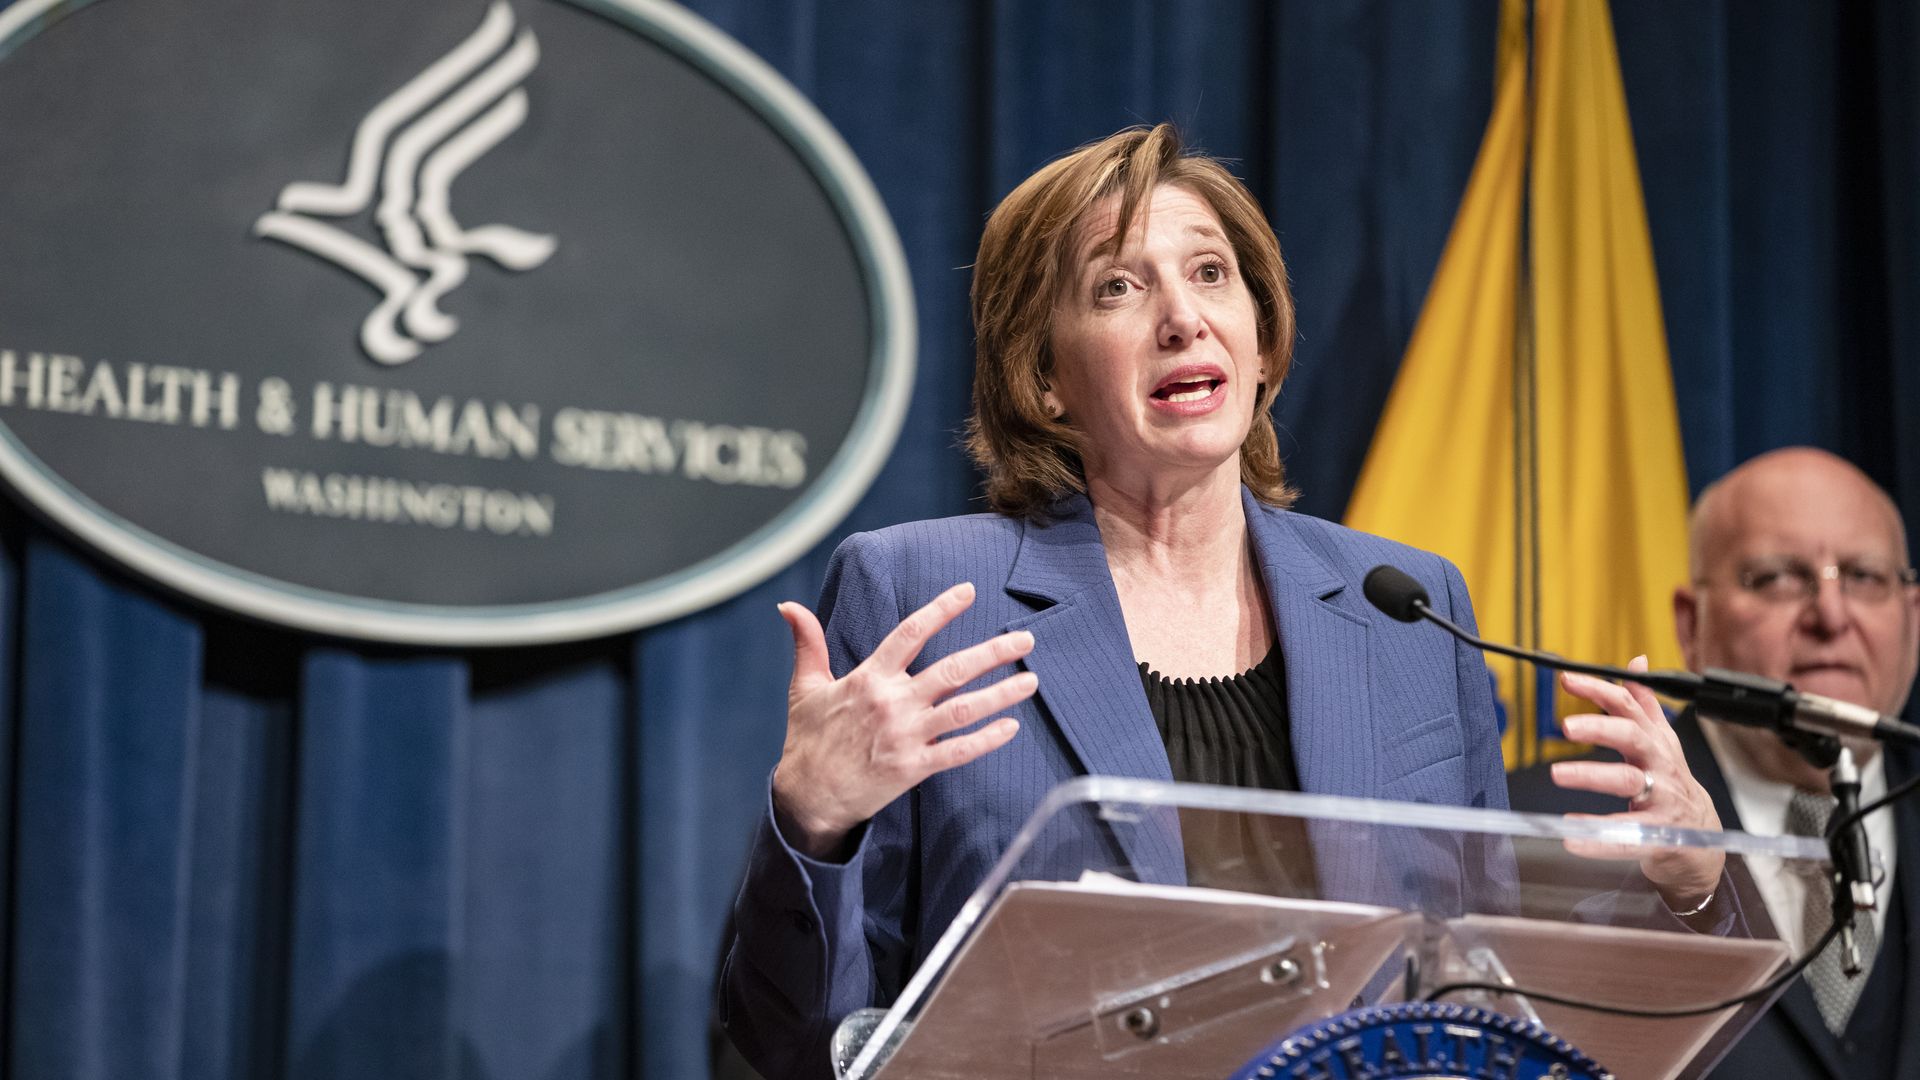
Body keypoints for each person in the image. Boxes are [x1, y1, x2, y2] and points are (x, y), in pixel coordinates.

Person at [718, 124, 1712, 1080]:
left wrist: (1689, 890)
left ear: (1263, 339)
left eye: (1210, 274)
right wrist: (815, 825)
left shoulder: (1406, 612)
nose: (1182, 318)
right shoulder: (931, 596)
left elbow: (1491, 994)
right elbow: (807, 1041)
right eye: (1117, 287)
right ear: (1044, 378)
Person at [1509, 447, 1920, 1078]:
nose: (1831, 616)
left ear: (1912, 618)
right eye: (1778, 576)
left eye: (1863, 576)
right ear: (1691, 622)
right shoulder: (1538, 830)